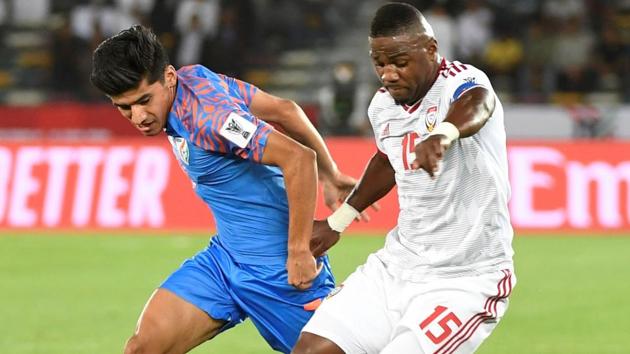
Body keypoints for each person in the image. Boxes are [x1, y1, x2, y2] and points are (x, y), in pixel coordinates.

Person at [90, 25, 362, 354]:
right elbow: (285, 110)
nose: (139, 116)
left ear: (169, 77)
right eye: (125, 107)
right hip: (224, 263)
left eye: (145, 100)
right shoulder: (196, 79)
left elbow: (298, 159)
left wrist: (299, 251)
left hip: (281, 274)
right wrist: (331, 173)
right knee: (142, 349)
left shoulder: (209, 119)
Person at [294, 3, 516, 354]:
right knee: (311, 349)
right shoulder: (382, 107)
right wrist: (339, 221)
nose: (388, 74)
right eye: (379, 63)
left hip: (466, 277)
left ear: (430, 49)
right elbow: (387, 159)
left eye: (399, 62)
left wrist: (442, 134)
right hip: (397, 267)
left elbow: (479, 103)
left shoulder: (461, 81)